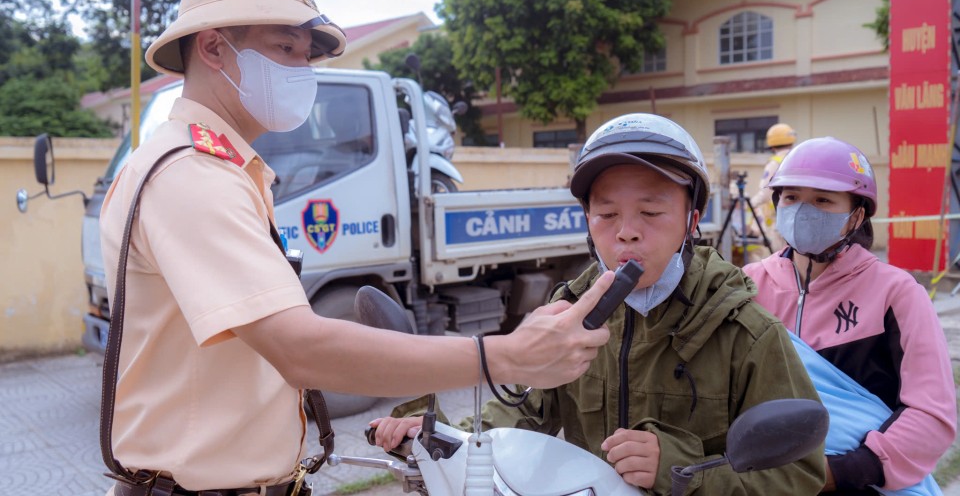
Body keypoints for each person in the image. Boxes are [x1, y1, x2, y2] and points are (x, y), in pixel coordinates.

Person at [98, 0, 611, 496]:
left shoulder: (217, 167)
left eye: (307, 56)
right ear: (212, 48)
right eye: (285, 49)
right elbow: (302, 350)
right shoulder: (193, 175)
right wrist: (503, 355)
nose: (302, 71)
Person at [372, 113, 826, 494]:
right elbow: (522, 416)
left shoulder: (745, 330)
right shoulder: (569, 315)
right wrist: (441, 436)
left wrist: (682, 470)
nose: (626, 231)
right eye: (606, 214)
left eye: (650, 212)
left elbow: (800, 474)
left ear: (692, 218)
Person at [742, 137, 957, 495]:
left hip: (859, 483)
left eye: (823, 200)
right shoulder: (748, 286)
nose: (803, 211)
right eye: (792, 198)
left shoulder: (895, 293)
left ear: (856, 215)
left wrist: (844, 470)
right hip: (761, 482)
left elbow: (931, 414)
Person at [744, 122, 798, 262]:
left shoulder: (775, 162)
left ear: (772, 145)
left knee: (776, 257)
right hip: (794, 214)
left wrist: (748, 204)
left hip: (775, 219)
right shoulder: (797, 159)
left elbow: (766, 193)